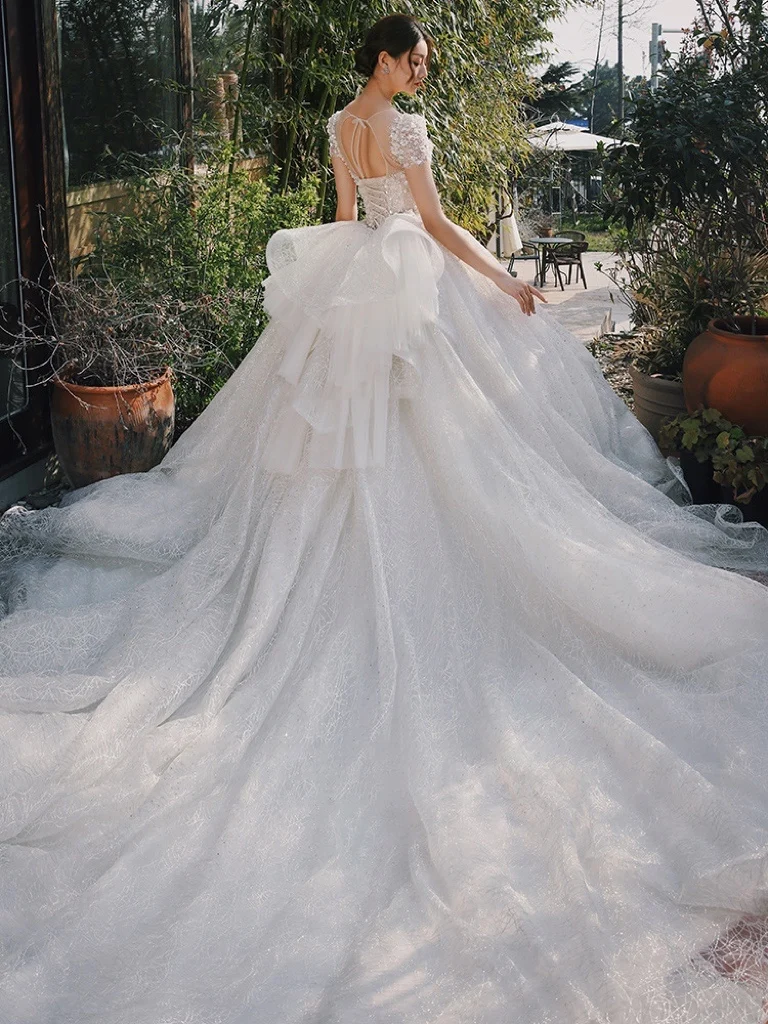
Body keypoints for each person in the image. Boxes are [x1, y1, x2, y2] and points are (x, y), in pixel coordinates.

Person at [2, 13, 768, 1024]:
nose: (420, 72)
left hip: (357, 287)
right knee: (462, 449)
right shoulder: (408, 132)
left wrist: (353, 292)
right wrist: (505, 282)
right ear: (390, 57)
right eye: (417, 59)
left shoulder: (336, 123)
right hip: (416, 292)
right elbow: (441, 228)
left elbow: (342, 220)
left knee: (350, 445)